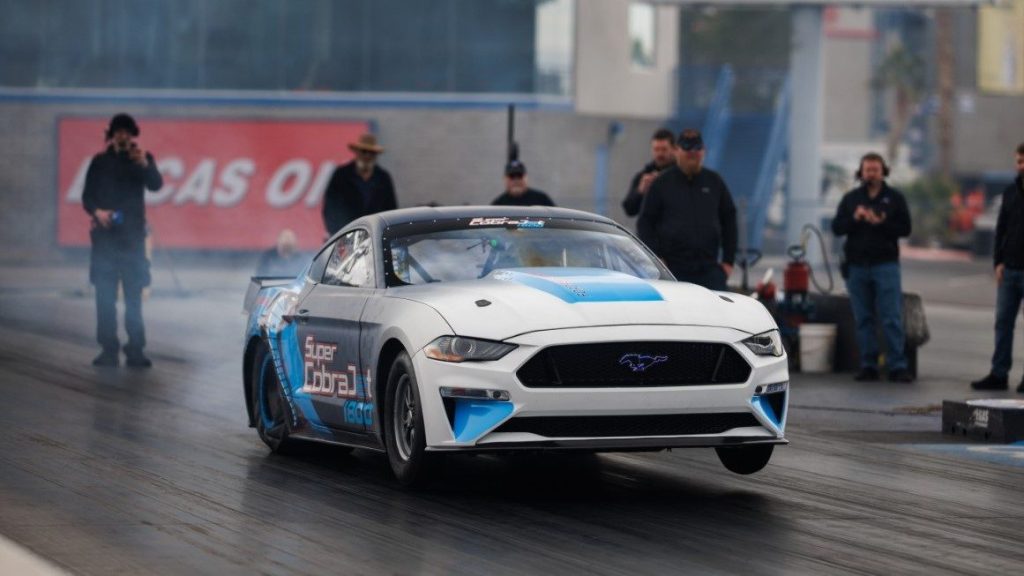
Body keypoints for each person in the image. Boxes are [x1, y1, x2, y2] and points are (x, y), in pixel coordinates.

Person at [82, 113, 163, 368]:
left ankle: (135, 349)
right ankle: (108, 348)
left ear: (132, 135)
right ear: (111, 135)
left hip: (132, 241)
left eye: (127, 132)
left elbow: (156, 185)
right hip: (105, 241)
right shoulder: (99, 162)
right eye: (119, 131)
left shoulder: (142, 158)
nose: (123, 136)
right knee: (104, 298)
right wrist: (98, 212)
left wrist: (145, 166)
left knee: (134, 299)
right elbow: (87, 197)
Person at [831, 152, 913, 382]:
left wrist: (882, 222)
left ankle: (897, 365)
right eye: (867, 170)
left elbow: (906, 228)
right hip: (857, 266)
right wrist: (855, 219)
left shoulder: (894, 198)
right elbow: (837, 228)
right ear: (861, 172)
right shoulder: (851, 199)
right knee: (863, 318)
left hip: (885, 265)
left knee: (891, 317)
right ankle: (869, 365)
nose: (871, 174)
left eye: (875, 170)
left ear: (883, 171)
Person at [636, 128, 736, 291]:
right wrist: (656, 259)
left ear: (703, 151)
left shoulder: (714, 182)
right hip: (673, 269)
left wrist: (728, 261)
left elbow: (729, 219)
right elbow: (645, 223)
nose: (692, 154)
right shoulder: (662, 183)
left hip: (709, 269)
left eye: (697, 149)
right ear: (677, 151)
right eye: (687, 149)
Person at [971, 142, 1024, 392]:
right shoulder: (1010, 192)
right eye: (1019, 161)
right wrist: (998, 261)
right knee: (1003, 323)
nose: (1021, 166)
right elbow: (1000, 229)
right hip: (1010, 269)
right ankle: (999, 373)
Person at [322, 133, 397, 236]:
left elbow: (391, 210)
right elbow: (330, 209)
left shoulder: (383, 178)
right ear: (357, 152)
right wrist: (337, 234)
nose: (367, 156)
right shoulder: (341, 175)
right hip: (346, 235)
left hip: (375, 235)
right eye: (364, 151)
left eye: (371, 152)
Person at [622, 128, 676, 217]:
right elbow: (629, 209)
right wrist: (641, 191)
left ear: (674, 149)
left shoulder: (683, 174)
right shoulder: (643, 176)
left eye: (664, 149)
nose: (660, 154)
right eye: (656, 149)